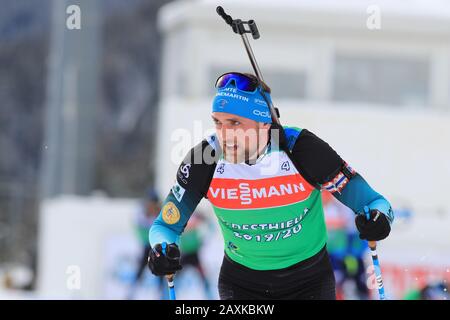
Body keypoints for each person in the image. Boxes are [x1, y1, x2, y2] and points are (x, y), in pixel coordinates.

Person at [147, 72, 394, 300]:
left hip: (309, 283)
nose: (224, 134)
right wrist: (161, 249)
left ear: (264, 124)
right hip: (242, 285)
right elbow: (164, 226)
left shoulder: (301, 149)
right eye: (218, 123)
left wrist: (378, 220)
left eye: (235, 124)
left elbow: (374, 203)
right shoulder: (205, 160)